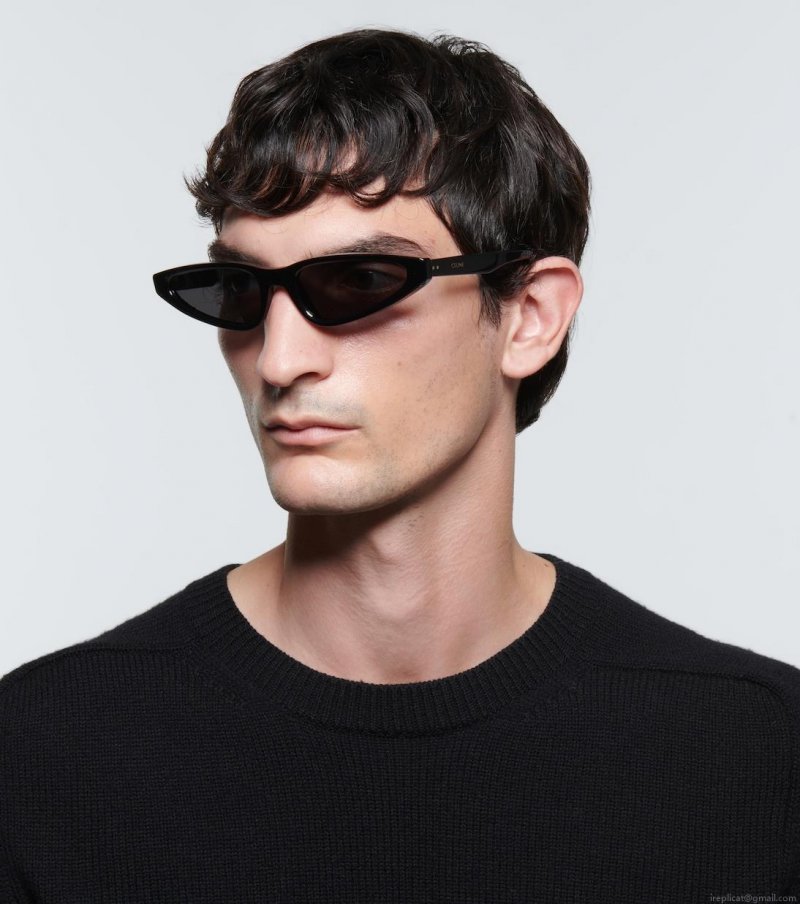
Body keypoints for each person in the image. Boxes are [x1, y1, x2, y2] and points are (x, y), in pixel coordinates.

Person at [1, 27, 799, 902]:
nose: (280, 360)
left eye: (360, 282)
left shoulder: (757, 753)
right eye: (242, 290)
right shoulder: (41, 752)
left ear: (531, 316)